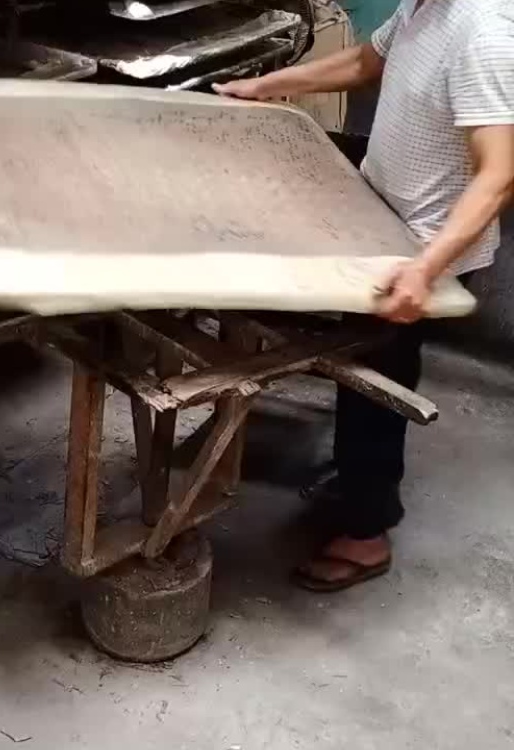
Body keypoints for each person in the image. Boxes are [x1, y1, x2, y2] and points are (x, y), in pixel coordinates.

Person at [214, 0, 514, 591]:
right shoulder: (424, 6)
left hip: (422, 251)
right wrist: (264, 86)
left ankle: (367, 533)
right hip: (384, 223)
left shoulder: (484, 34)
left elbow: (499, 174)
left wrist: (424, 270)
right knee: (364, 369)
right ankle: (356, 486)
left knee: (376, 384)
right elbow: (363, 62)